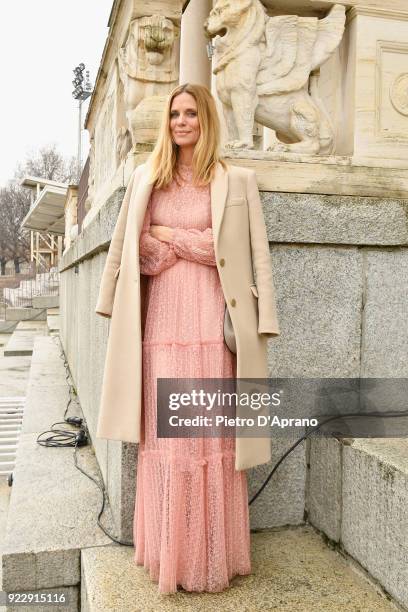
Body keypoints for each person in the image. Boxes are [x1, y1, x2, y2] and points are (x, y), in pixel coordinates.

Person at [94, 82, 280, 595]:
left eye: (190, 113)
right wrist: (166, 246)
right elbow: (138, 254)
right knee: (169, 442)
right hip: (162, 329)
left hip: (213, 326)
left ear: (206, 120)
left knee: (212, 440)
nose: (181, 121)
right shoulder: (146, 180)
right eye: (174, 113)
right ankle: (169, 555)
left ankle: (210, 559)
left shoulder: (235, 180)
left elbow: (243, 251)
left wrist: (171, 237)